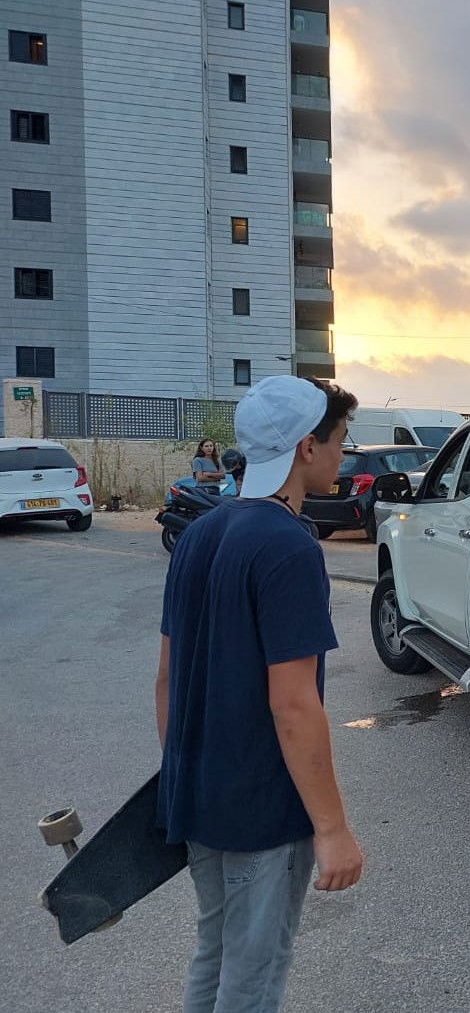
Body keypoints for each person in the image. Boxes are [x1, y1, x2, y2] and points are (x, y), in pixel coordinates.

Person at [156, 375, 365, 1011]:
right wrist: (333, 829)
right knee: (254, 979)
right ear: (306, 448)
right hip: (261, 813)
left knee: (216, 955)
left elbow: (167, 679)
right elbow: (293, 703)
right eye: (338, 441)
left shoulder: (198, 535)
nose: (342, 455)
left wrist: (183, 778)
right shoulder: (287, 546)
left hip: (198, 798)